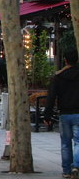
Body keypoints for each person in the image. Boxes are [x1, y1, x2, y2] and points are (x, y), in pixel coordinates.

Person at [43, 49, 79, 178]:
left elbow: (51, 97)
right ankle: (76, 166)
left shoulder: (58, 77)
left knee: (65, 143)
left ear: (65, 60)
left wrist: (47, 115)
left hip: (64, 113)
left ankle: (66, 170)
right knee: (78, 142)